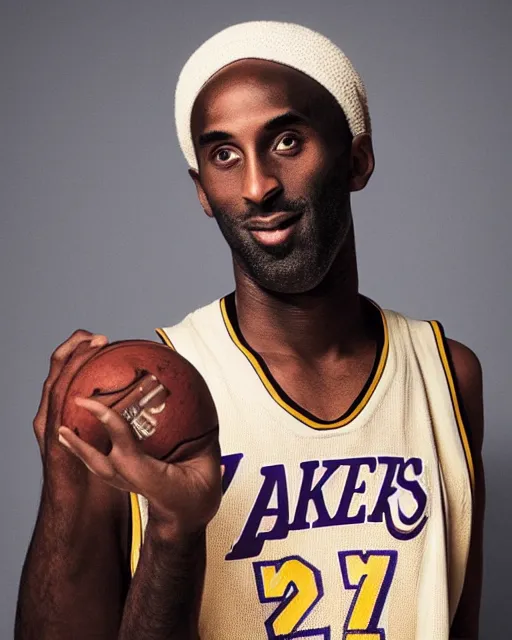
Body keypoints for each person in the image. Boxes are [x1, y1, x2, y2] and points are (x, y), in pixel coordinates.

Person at [15, 21, 484, 640]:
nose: (258, 186)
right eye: (224, 155)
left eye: (287, 141)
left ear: (357, 159)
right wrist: (167, 530)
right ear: (203, 191)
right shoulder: (138, 403)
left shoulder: (447, 376)